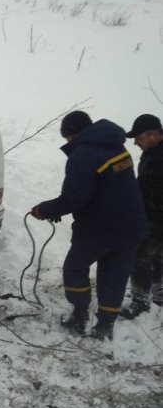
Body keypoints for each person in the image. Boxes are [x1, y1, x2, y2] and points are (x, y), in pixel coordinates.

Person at [31, 111, 147, 340]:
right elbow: (106, 188)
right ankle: (105, 327)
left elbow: (75, 198)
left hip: (100, 228)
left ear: (72, 135)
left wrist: (44, 209)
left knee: (75, 267)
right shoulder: (116, 146)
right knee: (115, 274)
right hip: (131, 225)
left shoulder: (82, 155)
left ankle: (79, 314)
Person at [120, 114, 163, 318]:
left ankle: (141, 304)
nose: (135, 142)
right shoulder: (150, 154)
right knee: (157, 258)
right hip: (150, 218)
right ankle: (159, 298)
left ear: (153, 134)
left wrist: (150, 223)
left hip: (156, 222)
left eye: (138, 137)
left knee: (140, 258)